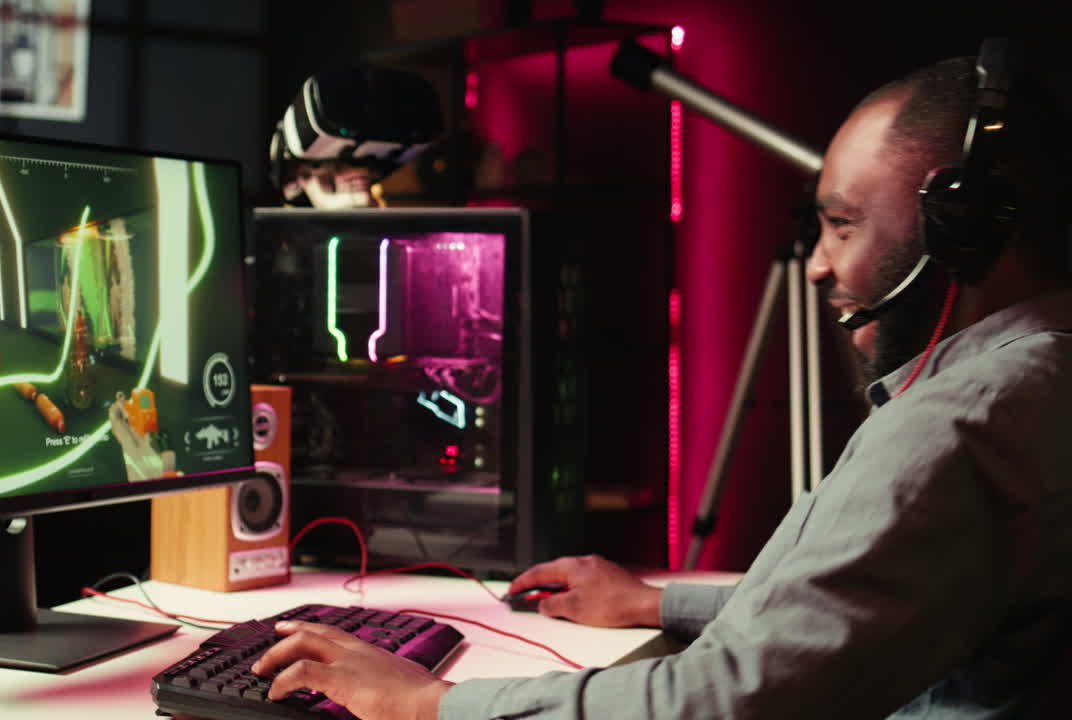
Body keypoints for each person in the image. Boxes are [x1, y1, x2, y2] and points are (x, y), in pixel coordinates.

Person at [249, 41, 1072, 720]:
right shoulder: (1038, 381)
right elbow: (853, 610)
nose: (817, 264)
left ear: (957, 231)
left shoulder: (959, 426)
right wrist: (655, 606)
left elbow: (720, 704)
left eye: (843, 224)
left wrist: (429, 706)